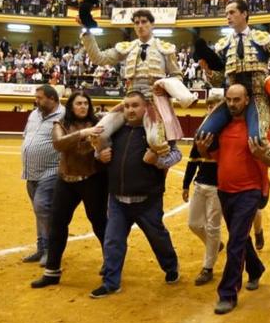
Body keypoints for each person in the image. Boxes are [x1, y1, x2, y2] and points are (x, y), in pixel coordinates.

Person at [194, 84, 270, 315]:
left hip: (248, 191)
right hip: (224, 190)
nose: (232, 104)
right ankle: (256, 269)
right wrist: (202, 151)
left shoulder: (258, 127)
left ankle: (228, 294)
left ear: (247, 100)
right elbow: (213, 157)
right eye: (229, 100)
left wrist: (263, 155)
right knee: (238, 239)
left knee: (234, 243)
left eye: (237, 99)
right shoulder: (222, 127)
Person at [91, 90, 182, 298]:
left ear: (145, 108)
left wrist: (158, 161)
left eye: (135, 105)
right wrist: (99, 155)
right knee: (113, 240)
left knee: (158, 238)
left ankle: (171, 267)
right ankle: (111, 282)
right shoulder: (115, 130)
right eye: (127, 106)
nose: (130, 110)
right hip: (117, 199)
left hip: (147, 200)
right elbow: (100, 151)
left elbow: (177, 154)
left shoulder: (156, 131)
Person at [80, 9, 196, 156]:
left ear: (152, 24)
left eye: (144, 22)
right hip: (130, 102)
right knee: (98, 134)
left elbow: (177, 75)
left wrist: (166, 88)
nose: (140, 26)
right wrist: (87, 34)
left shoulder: (165, 49)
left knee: (156, 141)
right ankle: (111, 161)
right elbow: (99, 59)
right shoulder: (127, 48)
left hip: (153, 101)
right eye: (136, 23)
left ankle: (159, 166)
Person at [31, 91, 108, 289]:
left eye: (85, 103)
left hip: (92, 179)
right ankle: (52, 271)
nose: (83, 106)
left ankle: (111, 264)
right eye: (78, 103)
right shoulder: (60, 124)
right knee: (57, 225)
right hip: (66, 180)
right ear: (71, 106)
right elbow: (58, 144)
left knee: (100, 224)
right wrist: (82, 133)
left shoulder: (98, 121)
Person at [198, 0, 270, 150]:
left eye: (232, 12)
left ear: (244, 14)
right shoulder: (223, 45)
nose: (228, 17)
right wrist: (209, 72)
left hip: (257, 97)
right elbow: (218, 81)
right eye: (226, 14)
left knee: (257, 139)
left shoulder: (263, 39)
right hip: (231, 100)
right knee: (202, 134)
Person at [182, 96, 224, 286]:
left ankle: (208, 267)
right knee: (193, 224)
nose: (211, 109)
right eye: (209, 106)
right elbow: (192, 161)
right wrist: (185, 184)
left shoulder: (225, 132)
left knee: (213, 227)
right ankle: (214, 246)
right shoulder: (202, 132)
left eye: (215, 106)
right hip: (201, 184)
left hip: (218, 186)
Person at [21, 85, 64, 267]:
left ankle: (50, 250)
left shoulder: (64, 115)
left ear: (52, 98)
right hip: (31, 172)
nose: (36, 100)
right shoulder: (34, 114)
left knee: (42, 207)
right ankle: (41, 248)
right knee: (39, 211)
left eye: (39, 98)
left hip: (52, 170)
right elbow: (27, 135)